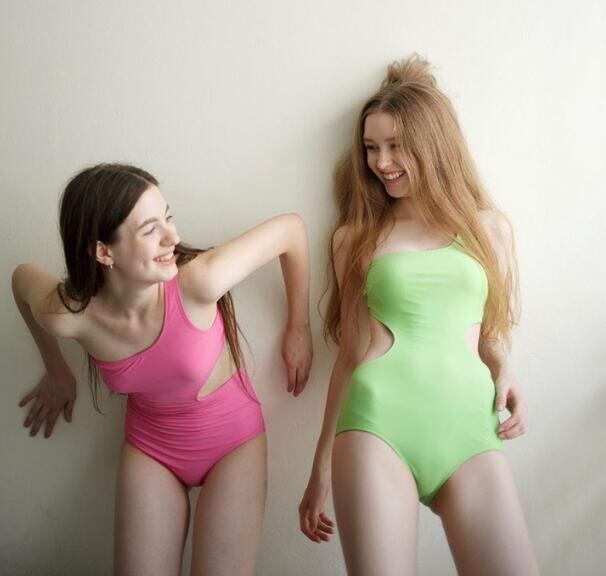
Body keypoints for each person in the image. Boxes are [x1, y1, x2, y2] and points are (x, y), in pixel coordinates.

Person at [299, 55, 540, 575]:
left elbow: (489, 331)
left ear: (433, 145)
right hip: (377, 426)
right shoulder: (355, 239)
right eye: (371, 148)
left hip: (470, 429)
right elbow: (351, 355)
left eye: (395, 146)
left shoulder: (490, 229)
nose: (381, 162)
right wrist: (319, 470)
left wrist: (504, 368)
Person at [13, 163, 313, 576]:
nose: (173, 237)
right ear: (103, 251)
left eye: (168, 218)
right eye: (150, 229)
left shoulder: (199, 281)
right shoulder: (70, 315)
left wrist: (299, 327)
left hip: (233, 442)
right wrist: (57, 372)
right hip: (150, 447)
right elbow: (21, 279)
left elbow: (291, 231)